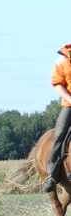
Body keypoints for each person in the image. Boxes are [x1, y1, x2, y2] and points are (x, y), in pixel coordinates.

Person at [42, 44, 71, 192]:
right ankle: (52, 174)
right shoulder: (61, 61)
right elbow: (57, 84)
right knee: (59, 133)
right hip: (70, 104)